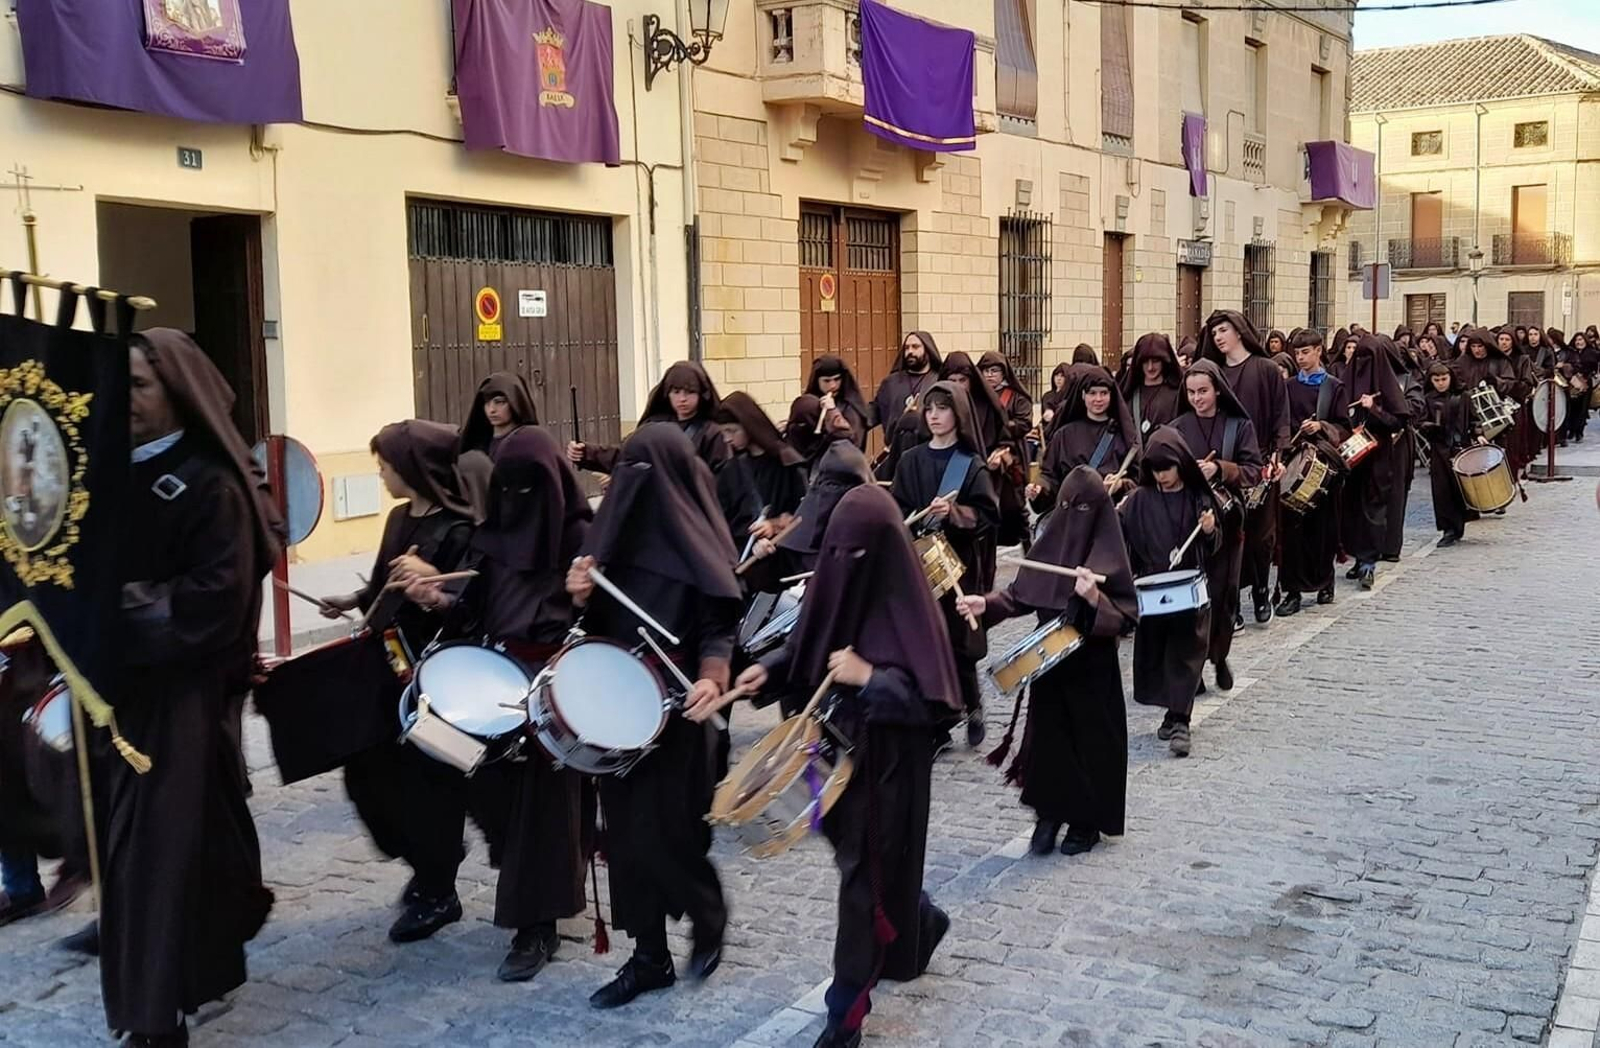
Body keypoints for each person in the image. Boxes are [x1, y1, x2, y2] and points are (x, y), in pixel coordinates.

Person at [708, 485, 958, 1048]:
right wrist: (767, 672)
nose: (842, 565)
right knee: (867, 872)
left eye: (855, 553)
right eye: (836, 552)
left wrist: (871, 676)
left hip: (889, 767)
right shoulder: (838, 574)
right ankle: (918, 920)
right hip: (829, 751)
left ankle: (844, 1014)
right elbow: (808, 641)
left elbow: (933, 703)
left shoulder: (913, 604)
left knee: (860, 884)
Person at [109, 329, 284, 1047]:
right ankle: (207, 951)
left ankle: (157, 1017)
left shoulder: (213, 484)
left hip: (184, 696)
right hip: (130, 690)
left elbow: (212, 604)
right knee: (181, 842)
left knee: (158, 852)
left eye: (140, 386)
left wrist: (114, 605)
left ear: (177, 394)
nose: (125, 401)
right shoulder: (116, 469)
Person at [565, 425, 741, 1009]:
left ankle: (706, 909)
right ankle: (648, 957)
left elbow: (720, 625)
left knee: (669, 833)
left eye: (645, 472)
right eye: (626, 471)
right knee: (626, 837)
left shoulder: (698, 538)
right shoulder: (605, 539)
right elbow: (584, 632)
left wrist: (714, 676)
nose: (630, 485)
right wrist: (580, 597)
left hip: (682, 714)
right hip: (619, 710)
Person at [406, 426, 589, 982]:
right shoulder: (497, 532)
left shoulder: (581, 534)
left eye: (528, 486)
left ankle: (537, 928)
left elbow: (607, 621)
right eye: (506, 486)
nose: (516, 499)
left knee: (545, 815)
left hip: (557, 692)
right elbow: (475, 606)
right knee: (477, 788)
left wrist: (588, 596)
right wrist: (437, 598)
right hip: (498, 685)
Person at [319, 420, 480, 943]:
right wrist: (354, 601)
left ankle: (439, 891)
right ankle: (428, 859)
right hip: (386, 666)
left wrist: (430, 593)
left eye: (386, 465)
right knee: (365, 773)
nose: (381, 474)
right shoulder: (396, 517)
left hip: (436, 674)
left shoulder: (459, 528)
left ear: (412, 469)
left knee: (430, 785)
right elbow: (381, 583)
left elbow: (469, 607)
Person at [960, 465, 1139, 849]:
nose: (1073, 517)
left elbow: (1127, 615)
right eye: (1067, 507)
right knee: (1049, 740)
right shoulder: (1053, 539)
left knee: (1091, 741)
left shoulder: (1111, 550)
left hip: (1092, 664)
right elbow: (1021, 594)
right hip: (1050, 658)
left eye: (1083, 509)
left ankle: (1085, 822)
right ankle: (1049, 813)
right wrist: (984, 603)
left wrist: (1094, 599)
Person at [890, 382, 999, 750]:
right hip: (921, 563)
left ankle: (973, 707)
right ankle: (937, 722)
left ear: (958, 414)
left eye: (942, 408)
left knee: (959, 643)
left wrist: (954, 513)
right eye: (929, 408)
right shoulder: (910, 460)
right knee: (925, 642)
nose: (934, 415)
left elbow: (987, 515)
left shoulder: (971, 464)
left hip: (960, 564)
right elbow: (899, 508)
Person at [1116, 430, 1219, 756]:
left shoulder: (1197, 498)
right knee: (1159, 657)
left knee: (1186, 656)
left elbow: (1217, 543)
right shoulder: (1140, 499)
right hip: (1153, 588)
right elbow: (1117, 532)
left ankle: (1181, 722)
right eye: (1156, 469)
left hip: (1189, 595)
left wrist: (1209, 530)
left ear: (1181, 465)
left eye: (1168, 468)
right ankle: (1171, 711)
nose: (1162, 476)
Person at [1170, 360, 1263, 693]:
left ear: (1218, 390)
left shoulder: (1238, 426)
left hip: (1228, 523)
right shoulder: (1178, 427)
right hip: (1187, 523)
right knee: (1191, 602)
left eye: (1203, 391)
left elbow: (1254, 471)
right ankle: (1192, 669)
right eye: (1191, 392)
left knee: (1223, 600)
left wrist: (1220, 469)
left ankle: (1219, 657)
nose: (1197, 398)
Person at [1198, 310, 1289, 626]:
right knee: (1230, 537)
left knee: (1261, 537)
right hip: (1225, 465)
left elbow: (1281, 415)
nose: (1218, 337)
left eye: (1223, 330)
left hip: (1260, 464)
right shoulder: (1216, 374)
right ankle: (1231, 602)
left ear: (1239, 331)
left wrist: (1279, 456)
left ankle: (1262, 591)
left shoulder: (1265, 369)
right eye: (1214, 333)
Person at [1275, 332, 1351, 615]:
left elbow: (1344, 426)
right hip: (1295, 461)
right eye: (1297, 353)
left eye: (1306, 352)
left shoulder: (1334, 387)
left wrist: (1322, 427)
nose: (1300, 357)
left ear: (1319, 351)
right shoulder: (1289, 387)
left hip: (1325, 466)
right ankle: (1292, 591)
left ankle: (1325, 582)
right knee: (1292, 531)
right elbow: (1280, 423)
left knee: (1324, 528)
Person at [1339, 335, 1412, 589]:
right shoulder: (1346, 382)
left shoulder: (1387, 386)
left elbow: (1398, 421)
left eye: (1367, 359)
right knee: (1352, 510)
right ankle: (1358, 557)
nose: (1362, 364)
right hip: (1352, 456)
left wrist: (1375, 409)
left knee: (1373, 508)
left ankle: (1369, 561)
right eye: (1359, 358)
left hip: (1378, 457)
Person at [1029, 367, 1139, 513]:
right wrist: (1039, 488)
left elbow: (1138, 482)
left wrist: (1121, 485)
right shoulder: (1064, 435)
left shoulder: (1123, 436)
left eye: (1104, 393)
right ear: (1082, 395)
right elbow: (1050, 476)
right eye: (1092, 393)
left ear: (1111, 395)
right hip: (1071, 517)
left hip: (1109, 518)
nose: (1098, 399)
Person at [715, 391, 808, 537]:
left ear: (749, 426)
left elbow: (802, 515)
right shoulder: (731, 469)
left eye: (731, 431)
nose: (727, 439)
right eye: (723, 433)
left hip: (781, 553)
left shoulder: (787, 463)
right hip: (743, 554)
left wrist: (774, 525)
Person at [871, 332, 944, 476]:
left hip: (930, 455)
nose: (910, 351)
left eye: (915, 347)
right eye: (907, 348)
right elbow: (873, 412)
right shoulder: (891, 383)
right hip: (896, 455)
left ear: (928, 350)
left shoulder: (939, 381)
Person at [1417, 363, 1474, 547]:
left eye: (1444, 379)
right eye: (1436, 380)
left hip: (1460, 447)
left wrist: (1479, 433)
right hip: (1439, 449)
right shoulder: (1428, 399)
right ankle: (1447, 528)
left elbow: (1474, 419)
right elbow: (1420, 421)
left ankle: (1460, 524)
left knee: (1460, 488)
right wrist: (1427, 427)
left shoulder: (1463, 396)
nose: (1441, 383)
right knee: (1442, 491)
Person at [458, 371, 539, 460]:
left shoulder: (528, 443)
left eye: (499, 402)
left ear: (515, 402)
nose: (492, 410)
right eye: (487, 403)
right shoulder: (479, 445)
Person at [1121, 333, 1185, 442]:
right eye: (1145, 362)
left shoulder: (1178, 394)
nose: (1150, 367)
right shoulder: (1129, 394)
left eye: (1155, 361)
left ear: (1164, 362)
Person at [806, 354, 871, 449]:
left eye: (837, 379)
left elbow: (853, 442)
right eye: (826, 381)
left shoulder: (851, 407)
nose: (833, 385)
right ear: (817, 381)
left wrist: (832, 411)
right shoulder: (810, 403)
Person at [1038, 363, 1073, 433]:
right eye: (1056, 375)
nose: (1059, 378)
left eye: (1062, 376)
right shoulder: (1047, 396)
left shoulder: (1070, 396)